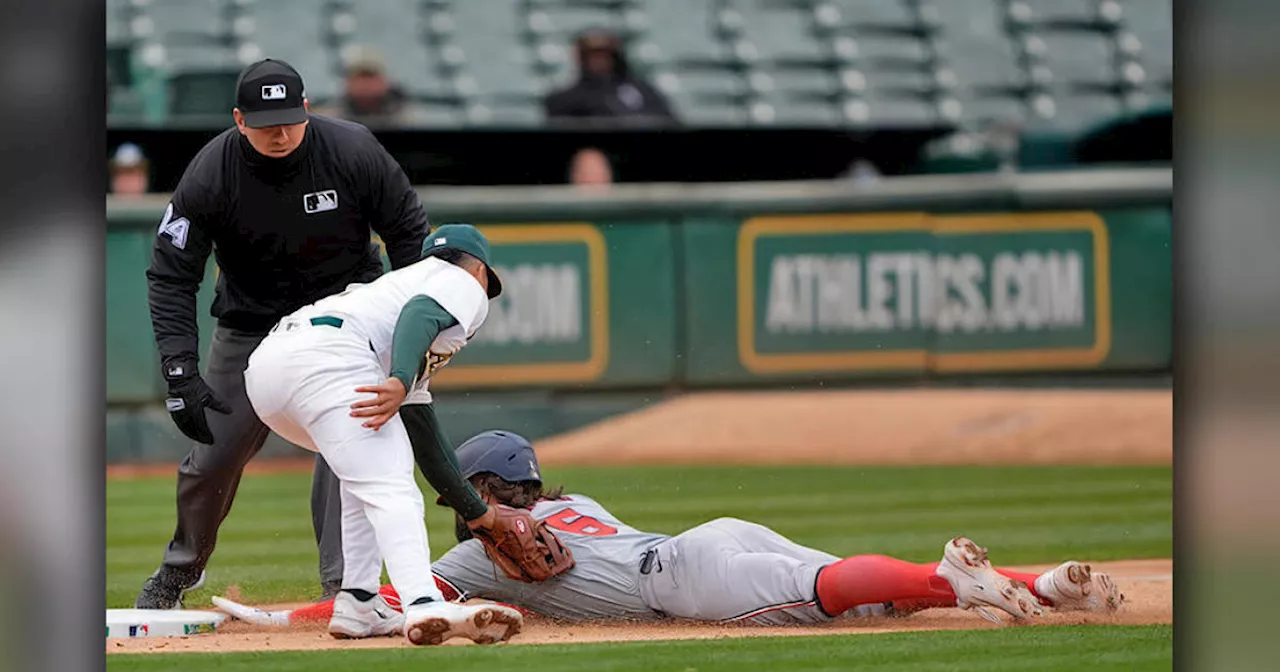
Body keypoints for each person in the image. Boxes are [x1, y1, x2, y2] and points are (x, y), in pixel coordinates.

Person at [214, 430, 1125, 629]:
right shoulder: (580, 503)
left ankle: (951, 582)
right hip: (706, 536)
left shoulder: (468, 557)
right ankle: (1045, 584)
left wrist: (277, 618)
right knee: (851, 585)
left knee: (828, 592)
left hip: (679, 581)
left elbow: (375, 606)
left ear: (484, 487)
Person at [138, 58, 430, 610]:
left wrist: (405, 326)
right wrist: (179, 369)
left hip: (346, 318)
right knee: (213, 455)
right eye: (265, 120)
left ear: (308, 110)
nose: (280, 131)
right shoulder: (210, 174)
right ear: (238, 119)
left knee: (348, 448)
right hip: (251, 326)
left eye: (290, 118)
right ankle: (181, 571)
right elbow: (171, 274)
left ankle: (344, 589)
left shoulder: (353, 151)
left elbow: (411, 237)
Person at [242, 224, 524, 646]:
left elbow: (424, 433)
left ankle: (359, 602)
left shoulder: (392, 291)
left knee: (367, 477)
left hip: (269, 373)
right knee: (391, 487)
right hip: (328, 361)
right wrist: (398, 378)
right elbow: (420, 315)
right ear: (481, 270)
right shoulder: (461, 282)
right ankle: (424, 603)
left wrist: (475, 511)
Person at [543, 29, 677, 126]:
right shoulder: (566, 99)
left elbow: (667, 122)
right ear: (581, 59)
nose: (599, 60)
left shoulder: (643, 90)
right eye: (592, 55)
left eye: (605, 54)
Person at [314, 46, 421, 126]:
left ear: (385, 81)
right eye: (359, 77)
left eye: (371, 76)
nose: (366, 85)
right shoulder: (331, 121)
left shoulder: (407, 120)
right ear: (347, 83)